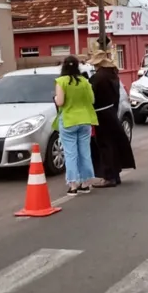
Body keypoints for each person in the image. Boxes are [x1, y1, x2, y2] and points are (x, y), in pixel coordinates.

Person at [87, 50, 136, 188]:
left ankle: (109, 177)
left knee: (104, 145)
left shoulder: (98, 78)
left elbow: (91, 97)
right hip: (111, 112)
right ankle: (115, 174)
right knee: (113, 144)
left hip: (101, 114)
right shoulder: (113, 75)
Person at [54, 56, 98, 195]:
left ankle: (73, 185)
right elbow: (92, 99)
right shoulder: (84, 81)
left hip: (68, 120)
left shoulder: (61, 81)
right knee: (85, 152)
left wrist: (55, 98)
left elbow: (60, 102)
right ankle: (86, 183)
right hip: (85, 120)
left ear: (64, 66)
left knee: (71, 153)